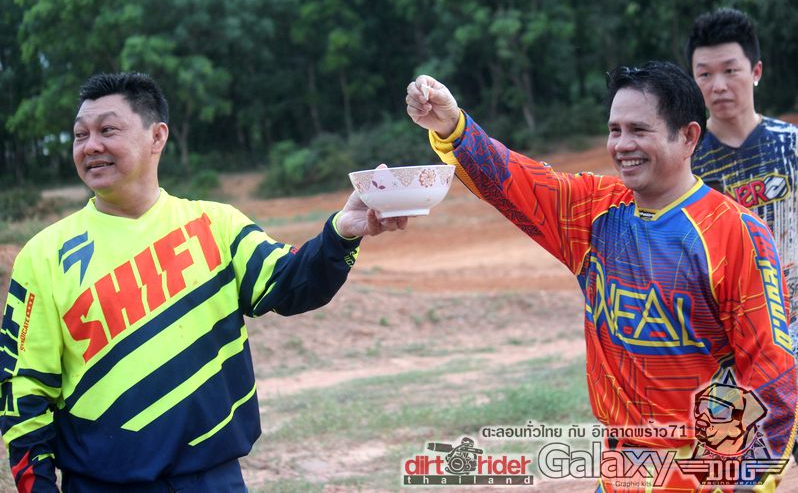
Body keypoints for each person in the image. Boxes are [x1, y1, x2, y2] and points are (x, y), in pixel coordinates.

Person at [0, 72, 408, 492]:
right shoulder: (44, 255)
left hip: (214, 479)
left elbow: (292, 284)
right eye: (80, 135)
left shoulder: (216, 224)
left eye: (107, 130)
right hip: (101, 484)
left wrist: (342, 231)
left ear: (157, 136)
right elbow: (24, 390)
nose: (90, 146)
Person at [406, 61, 797, 491]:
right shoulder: (594, 212)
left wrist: (748, 484)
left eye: (639, 130)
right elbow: (510, 179)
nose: (622, 145)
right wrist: (452, 127)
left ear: (688, 136)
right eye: (615, 130)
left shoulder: (736, 234)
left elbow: (773, 378)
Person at [686, 7, 798, 368]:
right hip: (723, 338)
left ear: (756, 72)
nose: (718, 85)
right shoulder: (685, 160)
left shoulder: (792, 145)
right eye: (705, 74)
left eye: (730, 70)